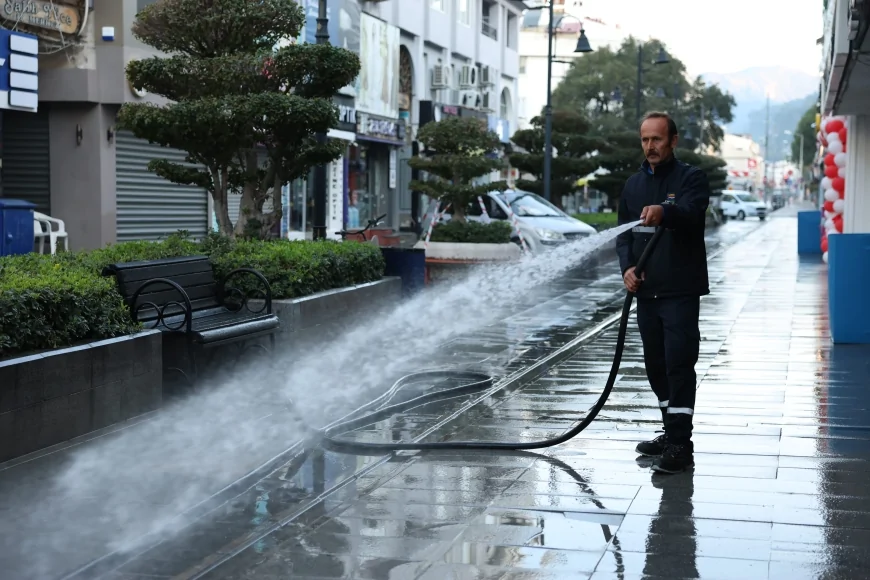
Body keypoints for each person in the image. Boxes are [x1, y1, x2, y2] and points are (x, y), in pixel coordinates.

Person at [615, 111, 711, 474]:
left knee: (679, 364)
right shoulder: (633, 185)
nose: (650, 146)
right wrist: (627, 268)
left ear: (673, 140)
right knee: (655, 365)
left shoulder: (692, 179)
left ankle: (680, 445)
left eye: (657, 139)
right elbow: (624, 234)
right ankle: (670, 431)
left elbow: (690, 212)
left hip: (680, 291)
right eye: (644, 140)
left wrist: (664, 211)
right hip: (647, 293)